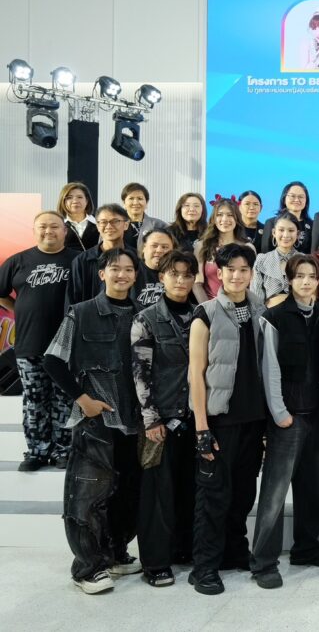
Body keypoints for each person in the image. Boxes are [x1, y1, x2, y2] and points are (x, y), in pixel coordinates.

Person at [43, 247, 142, 594]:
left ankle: (115, 554)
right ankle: (87, 568)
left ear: (136, 275)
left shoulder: (143, 315)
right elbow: (52, 360)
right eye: (115, 268)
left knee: (127, 495)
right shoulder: (81, 313)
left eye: (128, 269)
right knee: (87, 497)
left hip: (134, 422)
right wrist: (83, 400)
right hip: (97, 422)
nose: (122, 274)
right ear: (102, 274)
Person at [187, 244, 266, 595]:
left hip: (253, 419)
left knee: (244, 494)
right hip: (219, 422)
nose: (237, 275)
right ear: (218, 273)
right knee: (213, 496)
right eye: (230, 269)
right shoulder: (204, 314)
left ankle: (235, 551)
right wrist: (201, 427)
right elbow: (195, 372)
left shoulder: (259, 309)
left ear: (251, 274)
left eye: (243, 269)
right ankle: (204, 567)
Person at [249, 254, 319, 589]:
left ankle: (307, 548)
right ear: (289, 279)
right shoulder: (274, 317)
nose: (306, 282)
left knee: (316, 489)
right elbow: (268, 368)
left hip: (315, 414)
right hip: (287, 418)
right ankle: (263, 562)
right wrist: (279, 412)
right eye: (300, 276)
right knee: (274, 494)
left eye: (312, 276)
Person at [131, 249, 199, 587]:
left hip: (195, 418)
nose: (181, 281)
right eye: (174, 274)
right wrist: (151, 418)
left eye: (187, 275)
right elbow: (140, 372)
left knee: (190, 489)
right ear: (161, 277)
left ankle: (183, 549)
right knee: (157, 494)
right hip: (160, 420)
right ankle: (156, 563)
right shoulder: (146, 319)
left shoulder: (202, 315)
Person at [0, 211, 78, 470]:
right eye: (43, 226)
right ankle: (37, 452)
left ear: (64, 231)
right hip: (29, 343)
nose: (48, 231)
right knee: (34, 400)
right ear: (34, 231)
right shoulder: (18, 261)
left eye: (54, 226)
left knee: (64, 399)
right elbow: (1, 293)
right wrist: (19, 309)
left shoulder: (77, 260)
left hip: (66, 344)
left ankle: (63, 451)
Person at [66, 203, 130, 308]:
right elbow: (72, 300)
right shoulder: (82, 261)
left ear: (126, 225)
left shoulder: (136, 258)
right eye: (103, 222)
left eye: (115, 221)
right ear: (97, 226)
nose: (109, 226)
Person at [194, 198, 254, 303]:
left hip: (240, 305)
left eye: (230, 215)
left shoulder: (247, 247)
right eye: (220, 215)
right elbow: (197, 284)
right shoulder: (202, 245)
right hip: (211, 304)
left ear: (237, 218)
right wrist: (207, 308)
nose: (225, 219)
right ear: (213, 218)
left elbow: (253, 283)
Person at [252, 213, 301, 308]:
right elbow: (256, 297)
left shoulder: (305, 260)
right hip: (268, 313)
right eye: (281, 230)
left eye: (291, 230)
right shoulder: (262, 260)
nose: (286, 235)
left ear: (297, 234)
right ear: (274, 232)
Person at [262, 182, 314, 254]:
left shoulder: (312, 225)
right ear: (284, 199)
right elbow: (265, 251)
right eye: (292, 196)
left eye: (301, 197)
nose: (296, 200)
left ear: (306, 201)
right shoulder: (271, 223)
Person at [134, 227, 178, 308]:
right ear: (144, 248)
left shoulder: (180, 273)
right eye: (154, 246)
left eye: (165, 247)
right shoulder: (132, 270)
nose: (159, 250)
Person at [121, 182, 166, 251]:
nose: (135, 202)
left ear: (146, 203)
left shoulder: (159, 225)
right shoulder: (116, 224)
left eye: (140, 198)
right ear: (124, 203)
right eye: (131, 198)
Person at [58, 182, 99, 252]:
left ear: (87, 200)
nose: (75, 201)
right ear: (63, 201)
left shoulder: (100, 222)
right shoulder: (58, 224)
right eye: (69, 197)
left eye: (80, 197)